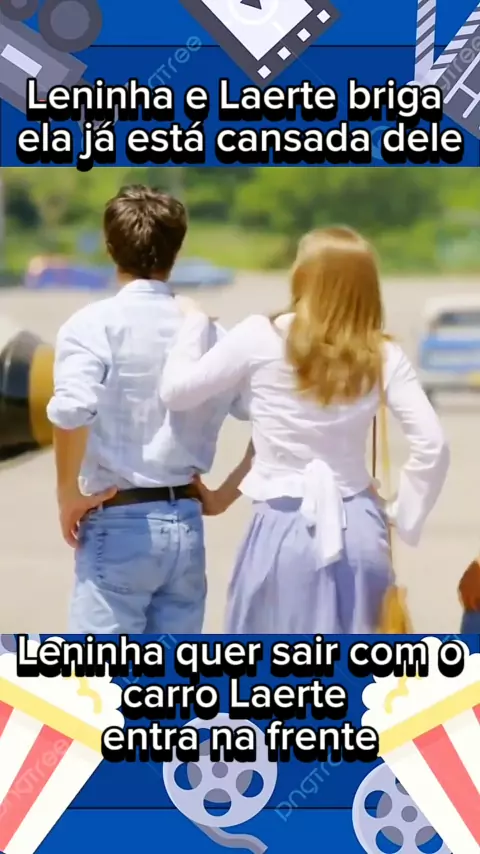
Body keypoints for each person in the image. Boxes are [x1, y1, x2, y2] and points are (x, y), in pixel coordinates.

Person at [160, 227, 450, 633]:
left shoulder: (259, 335)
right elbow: (434, 446)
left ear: (302, 276)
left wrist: (193, 323)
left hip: (282, 528)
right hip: (360, 529)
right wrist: (401, 515)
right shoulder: (383, 353)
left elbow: (176, 392)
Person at [46, 184, 248, 634]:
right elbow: (273, 419)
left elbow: (72, 410)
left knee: (97, 675)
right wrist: (224, 494)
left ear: (110, 246)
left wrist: (67, 495)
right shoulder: (212, 334)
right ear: (176, 249)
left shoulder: (91, 325)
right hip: (186, 525)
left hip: (118, 520)